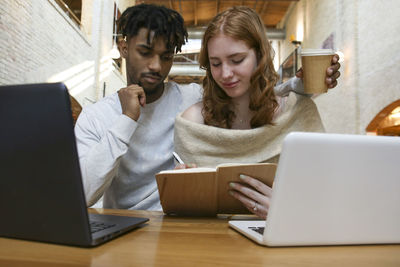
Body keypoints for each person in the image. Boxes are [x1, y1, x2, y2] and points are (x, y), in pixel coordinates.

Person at [74, 4, 340, 211]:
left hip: (178, 223)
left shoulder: (191, 98)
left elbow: (245, 94)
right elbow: (82, 194)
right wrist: (127, 119)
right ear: (123, 47)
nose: (156, 66)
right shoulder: (95, 117)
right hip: (127, 224)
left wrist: (297, 85)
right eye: (145, 52)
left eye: (166, 57)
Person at [175, 6, 340, 219]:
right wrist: (180, 187)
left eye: (237, 60)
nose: (225, 74)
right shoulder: (193, 121)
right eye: (215, 64)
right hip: (211, 240)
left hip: (284, 236)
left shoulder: (298, 111)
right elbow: (184, 211)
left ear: (260, 56)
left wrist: (287, 211)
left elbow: (327, 193)